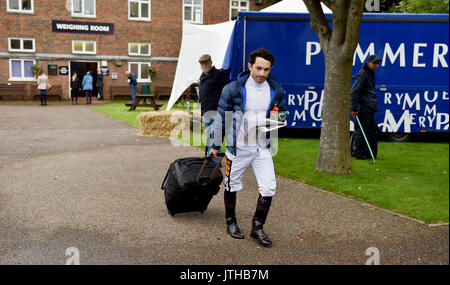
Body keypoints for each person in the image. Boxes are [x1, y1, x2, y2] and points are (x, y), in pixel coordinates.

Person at [209, 48, 287, 247]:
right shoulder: (233, 88)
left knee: (269, 187)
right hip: (239, 147)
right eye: (258, 68)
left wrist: (278, 120)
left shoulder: (276, 90)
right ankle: (231, 222)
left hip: (262, 147)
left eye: (266, 70)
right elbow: (221, 118)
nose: (262, 73)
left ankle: (257, 227)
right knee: (231, 185)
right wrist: (215, 145)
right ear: (250, 66)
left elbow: (281, 113)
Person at [350, 54, 382, 160]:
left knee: (372, 131)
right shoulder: (363, 74)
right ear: (368, 63)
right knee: (361, 131)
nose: (376, 65)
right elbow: (354, 92)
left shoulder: (370, 73)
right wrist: (354, 108)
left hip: (369, 108)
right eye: (374, 63)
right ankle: (360, 154)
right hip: (363, 109)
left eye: (378, 63)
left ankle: (371, 154)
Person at [198, 54, 230, 157]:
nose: (204, 65)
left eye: (206, 63)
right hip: (206, 112)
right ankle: (211, 160)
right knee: (210, 137)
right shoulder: (202, 76)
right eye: (202, 64)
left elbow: (228, 90)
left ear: (211, 63)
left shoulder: (219, 75)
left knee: (215, 137)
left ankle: (212, 161)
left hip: (217, 111)